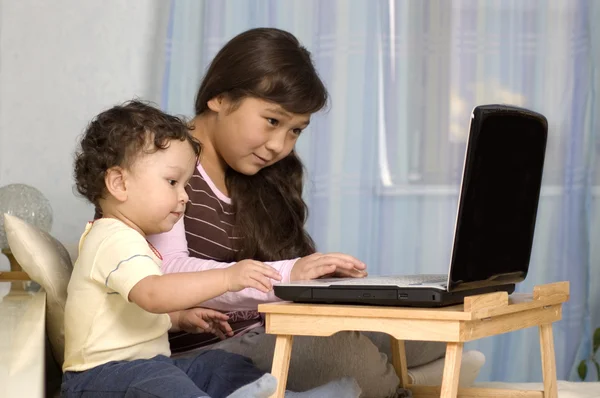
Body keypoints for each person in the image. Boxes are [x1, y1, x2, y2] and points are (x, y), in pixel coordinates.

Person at [148, 28, 446, 397]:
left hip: (273, 324)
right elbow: (164, 276)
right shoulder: (164, 165)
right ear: (219, 98)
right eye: (272, 121)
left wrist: (317, 281)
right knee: (348, 357)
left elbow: (277, 281)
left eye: (295, 131)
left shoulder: (261, 174)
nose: (279, 146)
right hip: (206, 350)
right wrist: (288, 274)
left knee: (426, 330)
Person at [63, 100, 362, 398]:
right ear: (118, 183)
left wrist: (179, 319)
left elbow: (130, 312)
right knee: (159, 380)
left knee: (218, 365)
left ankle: (283, 395)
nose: (185, 197)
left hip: (144, 366)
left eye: (186, 184)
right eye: (172, 182)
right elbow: (152, 295)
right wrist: (228, 278)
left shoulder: (132, 239)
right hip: (99, 378)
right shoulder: (112, 238)